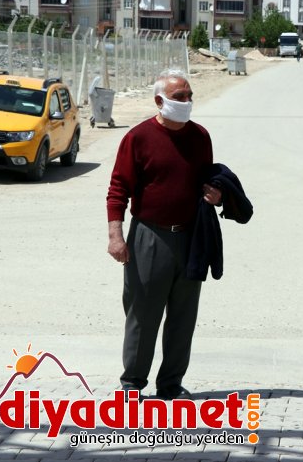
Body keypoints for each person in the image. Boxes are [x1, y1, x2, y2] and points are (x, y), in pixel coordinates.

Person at [106, 69, 222, 401]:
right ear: (159, 100)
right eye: (179, 97)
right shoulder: (138, 138)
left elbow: (207, 182)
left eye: (189, 96)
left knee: (183, 318)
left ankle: (170, 383)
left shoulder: (200, 137)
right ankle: (132, 384)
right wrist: (116, 236)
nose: (187, 102)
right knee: (143, 313)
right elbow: (118, 190)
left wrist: (218, 196)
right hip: (149, 237)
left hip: (191, 239)